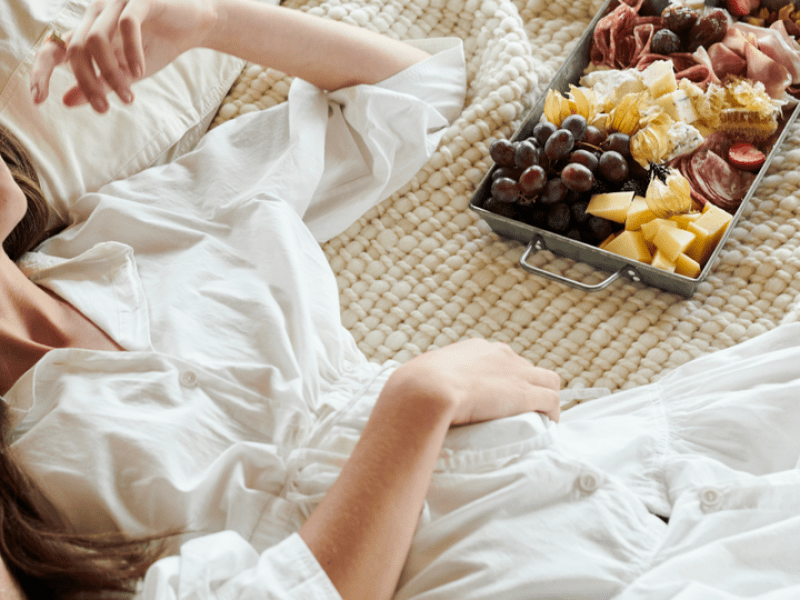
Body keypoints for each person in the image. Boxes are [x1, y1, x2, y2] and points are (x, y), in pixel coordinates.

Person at [2, 1, 800, 599]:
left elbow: (415, 94)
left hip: (617, 463)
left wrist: (207, 19)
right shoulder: (22, 476)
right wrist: (415, 403)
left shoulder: (132, 231)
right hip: (509, 571)